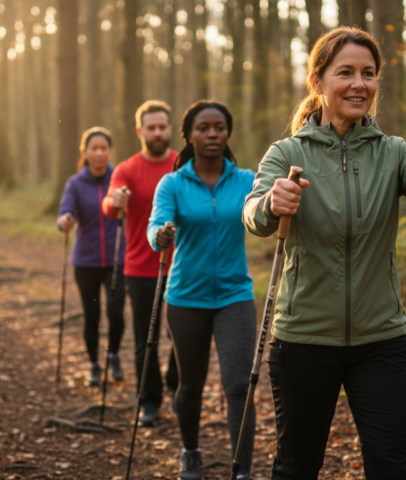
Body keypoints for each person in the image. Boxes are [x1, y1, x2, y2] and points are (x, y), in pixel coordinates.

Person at [242, 27, 406, 480]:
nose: (359, 84)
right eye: (345, 72)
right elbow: (253, 214)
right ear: (317, 82)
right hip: (303, 339)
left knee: (395, 469)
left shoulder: (393, 153)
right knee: (296, 467)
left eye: (368, 74)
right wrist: (272, 202)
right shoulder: (287, 153)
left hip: (382, 340)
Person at [148, 101, 257, 480]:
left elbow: (265, 213)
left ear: (227, 133)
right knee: (189, 385)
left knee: (239, 385)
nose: (212, 134)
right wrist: (160, 235)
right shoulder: (173, 184)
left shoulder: (246, 180)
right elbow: (155, 225)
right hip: (185, 298)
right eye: (203, 128)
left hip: (235, 296)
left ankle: (242, 469)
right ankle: (190, 452)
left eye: (219, 127)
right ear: (189, 135)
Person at [102, 100, 179, 426]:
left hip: (182, 266)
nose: (157, 133)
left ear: (170, 129)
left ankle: (176, 388)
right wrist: (115, 200)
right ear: (140, 131)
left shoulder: (182, 163)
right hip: (139, 267)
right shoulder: (127, 169)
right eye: (151, 128)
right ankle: (148, 400)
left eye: (162, 127)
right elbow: (109, 204)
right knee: (145, 339)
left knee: (181, 337)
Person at [58, 127, 126, 388]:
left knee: (116, 313)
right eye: (93, 148)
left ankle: (113, 355)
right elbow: (65, 211)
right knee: (91, 315)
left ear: (109, 151)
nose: (99, 153)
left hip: (117, 259)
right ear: (85, 152)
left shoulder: (119, 178)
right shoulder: (75, 183)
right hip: (86, 262)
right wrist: (65, 220)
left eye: (103, 148)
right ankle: (94, 364)